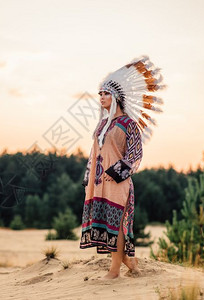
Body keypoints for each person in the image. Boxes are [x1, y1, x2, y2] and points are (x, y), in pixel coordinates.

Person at [79, 56, 165, 279]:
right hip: (99, 183)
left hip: (118, 182)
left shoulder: (128, 124)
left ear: (116, 96)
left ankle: (114, 271)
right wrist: (90, 176)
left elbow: (135, 154)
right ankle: (131, 264)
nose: (101, 97)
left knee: (115, 225)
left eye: (106, 93)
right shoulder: (101, 124)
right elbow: (94, 153)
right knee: (105, 225)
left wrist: (116, 173)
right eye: (100, 93)